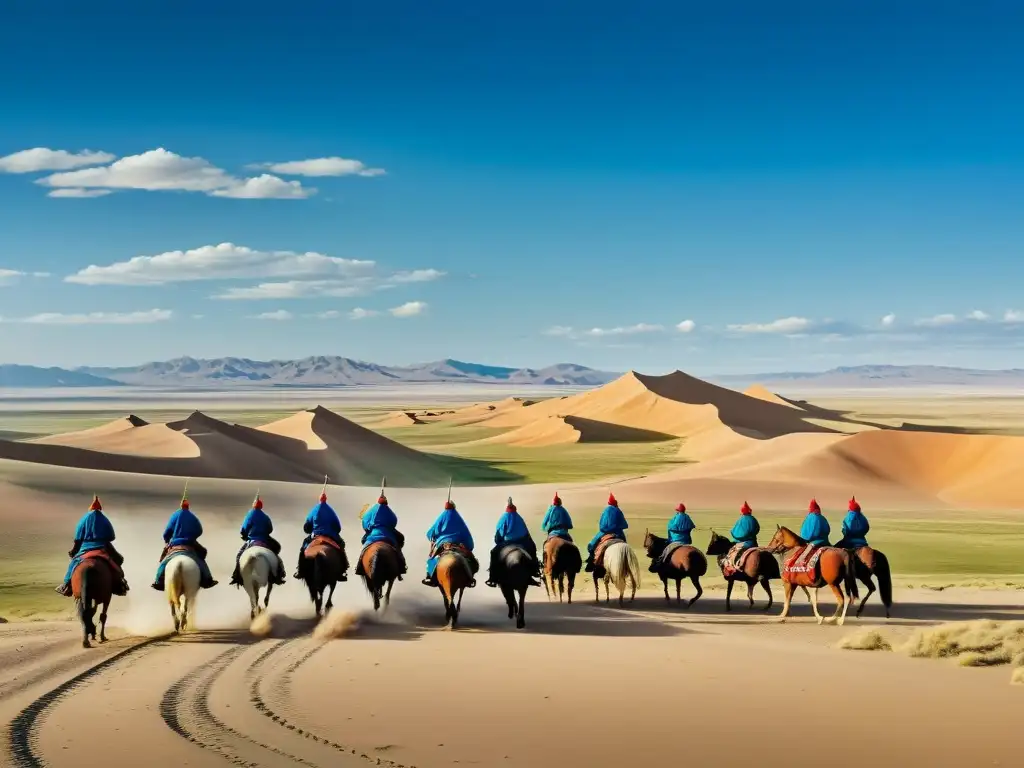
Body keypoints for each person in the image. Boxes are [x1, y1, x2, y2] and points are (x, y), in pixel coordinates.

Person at [56, 494, 129, 597]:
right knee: (118, 560)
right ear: (100, 508)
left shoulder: (83, 519)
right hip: (103, 546)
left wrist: (74, 550)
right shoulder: (104, 519)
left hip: (84, 547)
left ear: (90, 508)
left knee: (73, 563)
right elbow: (111, 536)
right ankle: (120, 584)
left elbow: (77, 538)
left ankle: (66, 585)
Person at [152, 493, 218, 591]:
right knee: (201, 557)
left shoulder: (174, 515)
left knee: (164, 560)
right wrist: (192, 537)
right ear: (188, 506)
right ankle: (208, 579)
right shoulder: (193, 516)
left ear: (180, 505)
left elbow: (167, 532)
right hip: (190, 543)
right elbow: (199, 530)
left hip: (175, 543)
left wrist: (167, 540)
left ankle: (158, 580)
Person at [229, 493, 286, 587]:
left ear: (253, 505)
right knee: (276, 551)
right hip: (265, 539)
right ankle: (279, 574)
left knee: (239, 555)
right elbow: (270, 529)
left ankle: (236, 576)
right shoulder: (265, 516)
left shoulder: (249, 515)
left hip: (251, 540)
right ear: (261, 506)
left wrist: (245, 535)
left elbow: (243, 529)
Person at [486, 497, 540, 587]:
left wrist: (498, 542)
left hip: (507, 542)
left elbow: (499, 534)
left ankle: (493, 577)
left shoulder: (503, 518)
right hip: (522, 542)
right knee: (532, 548)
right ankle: (535, 571)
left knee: (493, 552)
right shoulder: (519, 518)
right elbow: (526, 533)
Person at [423, 497, 477, 587]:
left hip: (443, 544)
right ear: (454, 507)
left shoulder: (441, 518)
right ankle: (470, 578)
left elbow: (430, 533)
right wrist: (469, 546)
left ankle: (429, 577)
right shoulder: (459, 519)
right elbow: (467, 536)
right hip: (458, 545)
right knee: (471, 560)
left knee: (431, 559)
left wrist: (433, 537)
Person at [294, 489, 346, 580]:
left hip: (315, 535)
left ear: (319, 499)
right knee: (341, 546)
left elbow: (307, 524)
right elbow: (338, 526)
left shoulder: (314, 510)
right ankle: (342, 571)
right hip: (330, 535)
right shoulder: (330, 510)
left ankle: (300, 570)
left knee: (304, 547)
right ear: (326, 499)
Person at [355, 490, 407, 579]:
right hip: (388, 534)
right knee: (399, 544)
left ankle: (359, 566)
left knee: (364, 549)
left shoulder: (371, 510)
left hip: (373, 534)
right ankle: (402, 566)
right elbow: (394, 522)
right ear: (386, 502)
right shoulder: (389, 511)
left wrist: (368, 528)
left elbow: (364, 521)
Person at [585, 493, 628, 572]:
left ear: (609, 503)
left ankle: (591, 561)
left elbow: (602, 525)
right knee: (626, 545)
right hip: (618, 533)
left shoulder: (606, 510)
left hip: (605, 532)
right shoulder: (618, 510)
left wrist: (606, 529)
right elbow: (625, 525)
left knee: (592, 544)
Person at [651, 502, 695, 572]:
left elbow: (670, 527)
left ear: (678, 511)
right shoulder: (687, 517)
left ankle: (660, 563)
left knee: (666, 551)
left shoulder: (676, 518)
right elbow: (692, 526)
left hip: (676, 541)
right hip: (687, 541)